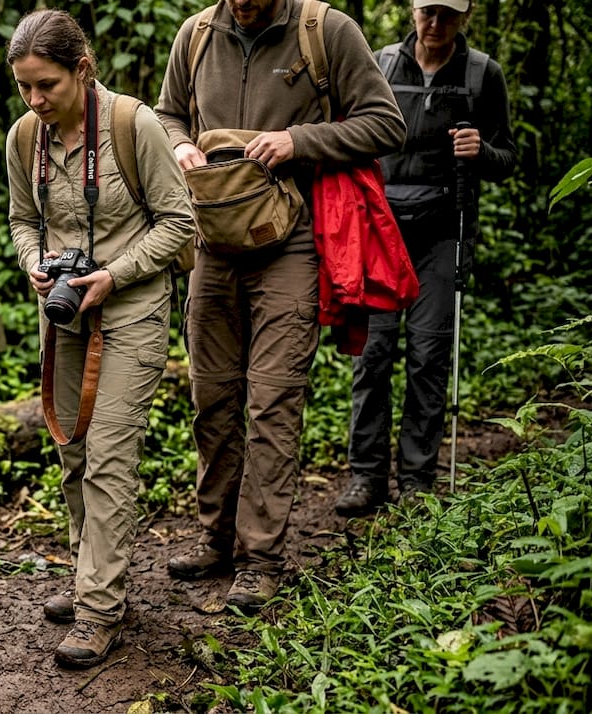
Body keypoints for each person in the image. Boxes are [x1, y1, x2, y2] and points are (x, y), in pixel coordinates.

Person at [154, 0, 405, 609]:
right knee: (212, 398)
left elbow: (386, 124)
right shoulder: (195, 35)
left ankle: (260, 558)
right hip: (214, 240)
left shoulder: (327, 30)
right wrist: (181, 145)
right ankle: (214, 537)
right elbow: (165, 116)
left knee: (272, 401)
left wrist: (299, 140)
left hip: (291, 242)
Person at [5, 9, 196, 668]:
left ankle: (99, 610)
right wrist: (32, 258)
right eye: (24, 87)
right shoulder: (24, 137)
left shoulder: (133, 125)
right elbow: (21, 219)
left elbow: (179, 223)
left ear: (82, 69)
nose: (35, 100)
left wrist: (114, 275)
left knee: (111, 454)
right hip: (63, 312)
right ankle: (93, 574)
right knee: (74, 452)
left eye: (47, 85)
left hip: (131, 307)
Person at [337, 0, 517, 516]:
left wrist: (480, 150)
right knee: (372, 356)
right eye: (428, 12)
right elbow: (352, 134)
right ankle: (365, 477)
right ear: (413, 11)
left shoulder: (484, 74)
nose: (436, 25)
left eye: (448, 15)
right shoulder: (381, 64)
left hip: (443, 231)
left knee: (428, 356)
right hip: (381, 231)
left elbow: (507, 158)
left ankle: (417, 480)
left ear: (464, 17)